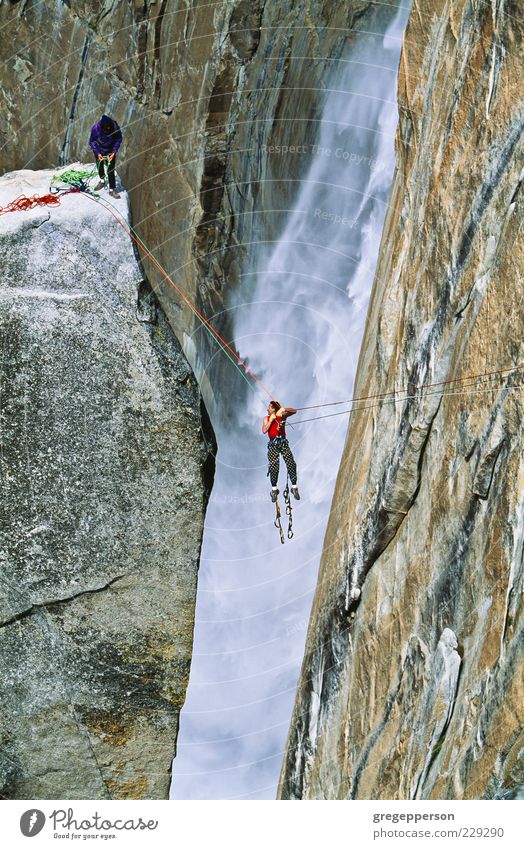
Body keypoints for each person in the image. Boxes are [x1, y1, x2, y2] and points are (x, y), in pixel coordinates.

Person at [262, 400, 300, 502]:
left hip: (283, 443)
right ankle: (274, 490)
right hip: (273, 444)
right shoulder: (267, 419)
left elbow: (294, 411)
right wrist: (271, 421)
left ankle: (294, 487)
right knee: (274, 466)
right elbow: (264, 430)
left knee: (291, 463)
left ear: (274, 409)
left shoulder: (281, 416)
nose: (267, 408)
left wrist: (283, 409)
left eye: (269, 407)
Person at [89, 114, 123, 198]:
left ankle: (112, 189)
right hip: (99, 149)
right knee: (99, 165)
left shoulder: (115, 127)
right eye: (106, 128)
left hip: (110, 151)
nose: (108, 129)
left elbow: (118, 139)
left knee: (110, 169)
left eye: (109, 127)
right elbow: (92, 141)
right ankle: (102, 180)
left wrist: (114, 152)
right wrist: (98, 153)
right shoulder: (96, 128)